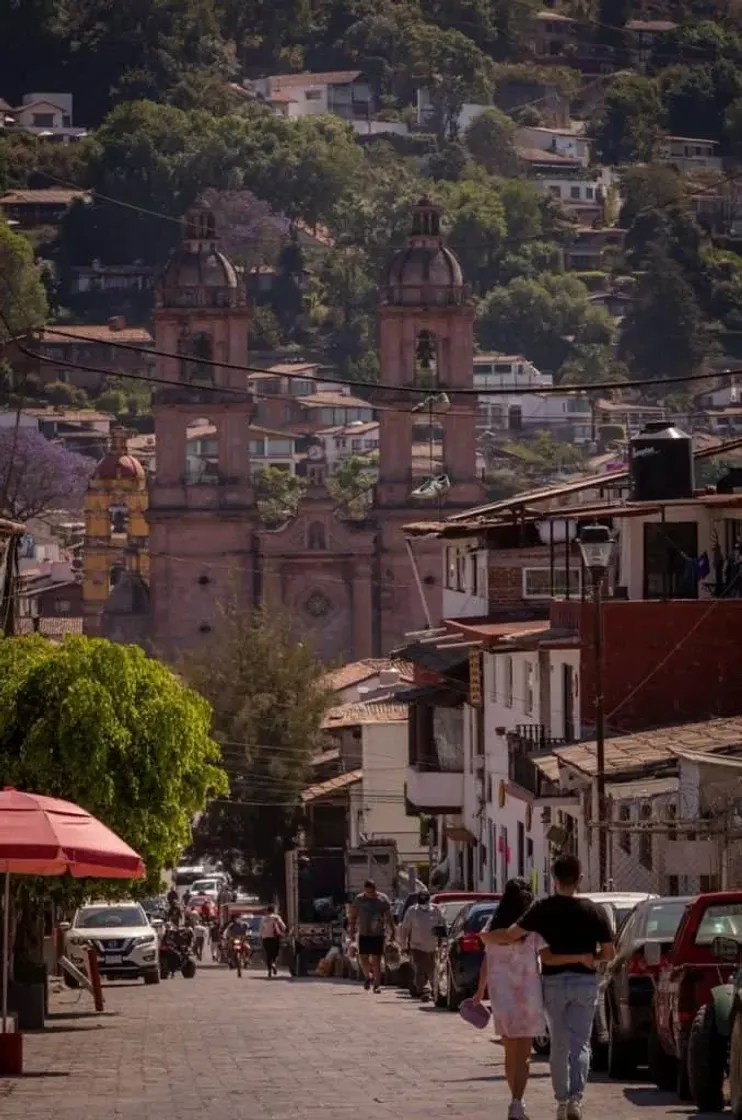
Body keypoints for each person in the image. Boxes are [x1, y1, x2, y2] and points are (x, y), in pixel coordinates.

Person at [483, 856, 615, 1120]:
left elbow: (512, 934)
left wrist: (487, 937)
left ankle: (561, 1101)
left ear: (554, 880)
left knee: (559, 1045)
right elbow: (610, 953)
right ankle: (576, 1099)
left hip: (554, 982)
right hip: (585, 982)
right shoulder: (596, 911)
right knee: (581, 1045)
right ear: (580, 878)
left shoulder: (542, 908)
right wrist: (590, 958)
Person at [397, 889, 446, 1001]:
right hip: (417, 946)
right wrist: (403, 945)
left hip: (433, 946)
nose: (423, 904)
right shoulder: (412, 911)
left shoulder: (436, 910)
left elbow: (442, 925)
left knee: (432, 969)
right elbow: (405, 928)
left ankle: (434, 989)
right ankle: (423, 990)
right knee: (420, 968)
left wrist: (442, 941)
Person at [348, 879, 394, 993]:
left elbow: (389, 916)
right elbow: (353, 916)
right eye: (368, 893)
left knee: (376, 960)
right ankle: (368, 976)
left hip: (378, 934)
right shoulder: (359, 899)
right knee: (363, 958)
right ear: (364, 890)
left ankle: (377, 985)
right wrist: (351, 931)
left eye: (372, 893)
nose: (370, 895)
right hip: (364, 933)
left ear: (375, 889)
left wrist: (392, 930)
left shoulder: (382, 899)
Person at [259, 906, 286, 978]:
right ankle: (273, 963)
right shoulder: (276, 917)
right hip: (275, 938)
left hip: (266, 938)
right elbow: (284, 927)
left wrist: (260, 937)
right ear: (273, 911)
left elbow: (261, 930)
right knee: (275, 953)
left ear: (267, 911)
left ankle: (269, 970)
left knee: (268, 954)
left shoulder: (263, 919)